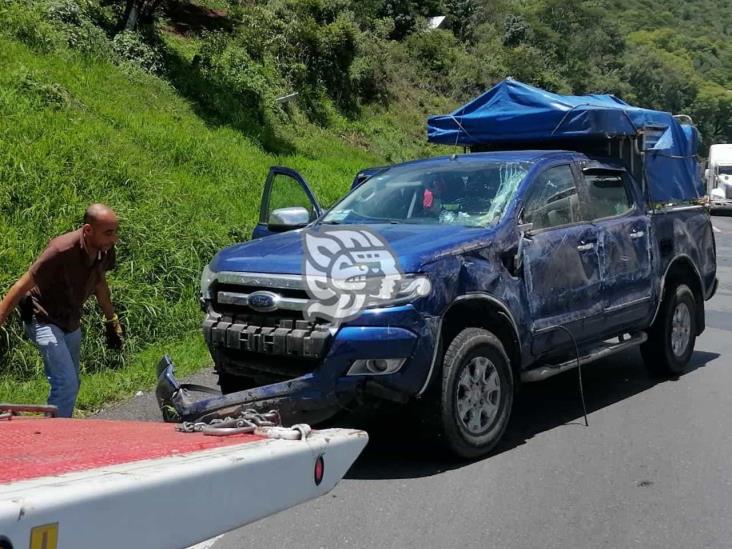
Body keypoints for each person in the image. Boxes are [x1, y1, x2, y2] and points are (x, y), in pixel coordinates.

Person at [0, 203, 124, 417]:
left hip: (70, 319)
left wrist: (111, 319)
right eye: (108, 233)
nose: (114, 239)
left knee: (72, 382)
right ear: (88, 230)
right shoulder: (61, 250)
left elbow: (100, 284)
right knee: (65, 383)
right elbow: (21, 286)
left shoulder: (103, 249)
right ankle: (55, 439)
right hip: (43, 316)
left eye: (115, 232)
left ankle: (53, 427)